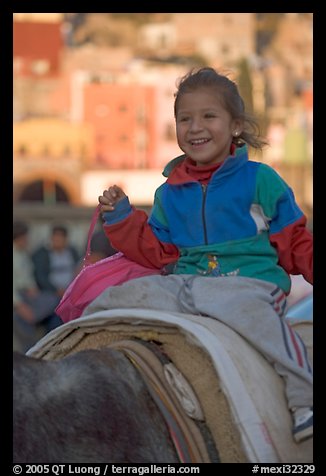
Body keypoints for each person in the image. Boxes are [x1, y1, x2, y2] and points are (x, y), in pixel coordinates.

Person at [98, 67, 313, 443]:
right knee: (115, 300)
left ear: (235, 126)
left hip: (249, 286)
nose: (195, 127)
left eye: (208, 116)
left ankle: (304, 396)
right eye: (185, 119)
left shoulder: (260, 180)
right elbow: (157, 251)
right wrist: (121, 220)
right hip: (188, 285)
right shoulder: (169, 192)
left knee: (260, 323)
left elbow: (294, 243)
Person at [13, 221, 60, 353]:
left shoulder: (22, 253)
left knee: (54, 301)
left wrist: (31, 288)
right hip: (17, 300)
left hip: (27, 295)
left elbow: (26, 277)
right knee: (21, 318)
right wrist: (19, 305)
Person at [32, 225, 80, 298]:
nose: (58, 241)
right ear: (51, 238)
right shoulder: (42, 254)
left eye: (61, 239)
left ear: (66, 239)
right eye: (56, 239)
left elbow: (79, 268)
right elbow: (40, 276)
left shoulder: (72, 252)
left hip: (72, 289)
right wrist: (56, 290)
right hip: (50, 291)